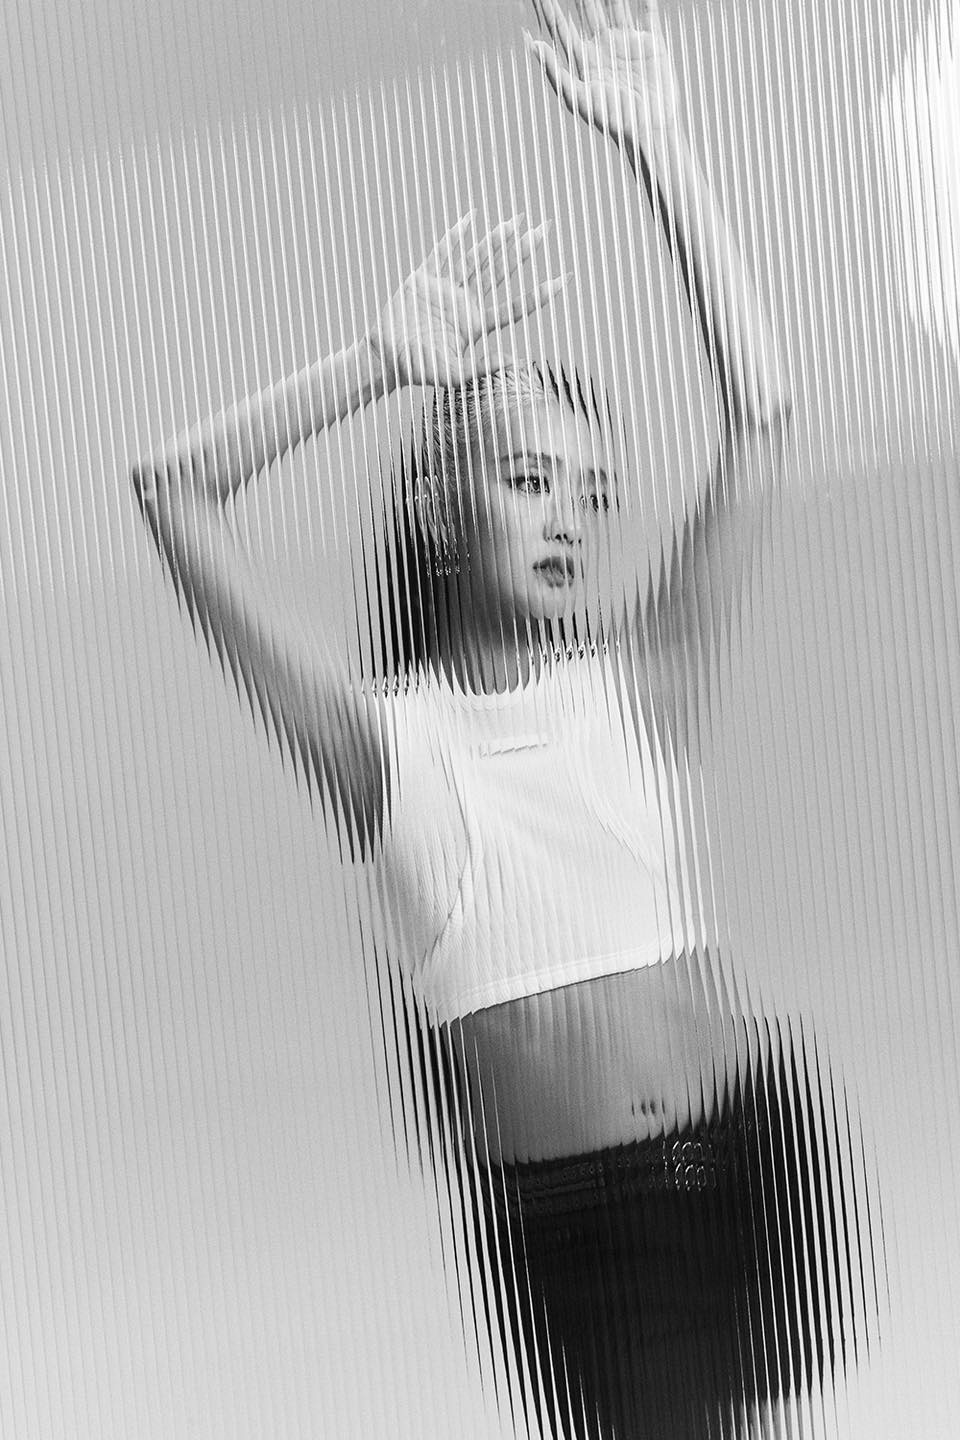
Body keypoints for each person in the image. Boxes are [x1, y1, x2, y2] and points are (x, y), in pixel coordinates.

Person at [131, 1, 855, 1434]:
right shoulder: (380, 744)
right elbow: (173, 493)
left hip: (751, 1156)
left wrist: (664, 147)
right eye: (528, 478)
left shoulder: (639, 685)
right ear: (438, 511)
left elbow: (763, 423)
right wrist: (376, 363)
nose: (571, 515)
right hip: (580, 1228)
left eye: (591, 489)